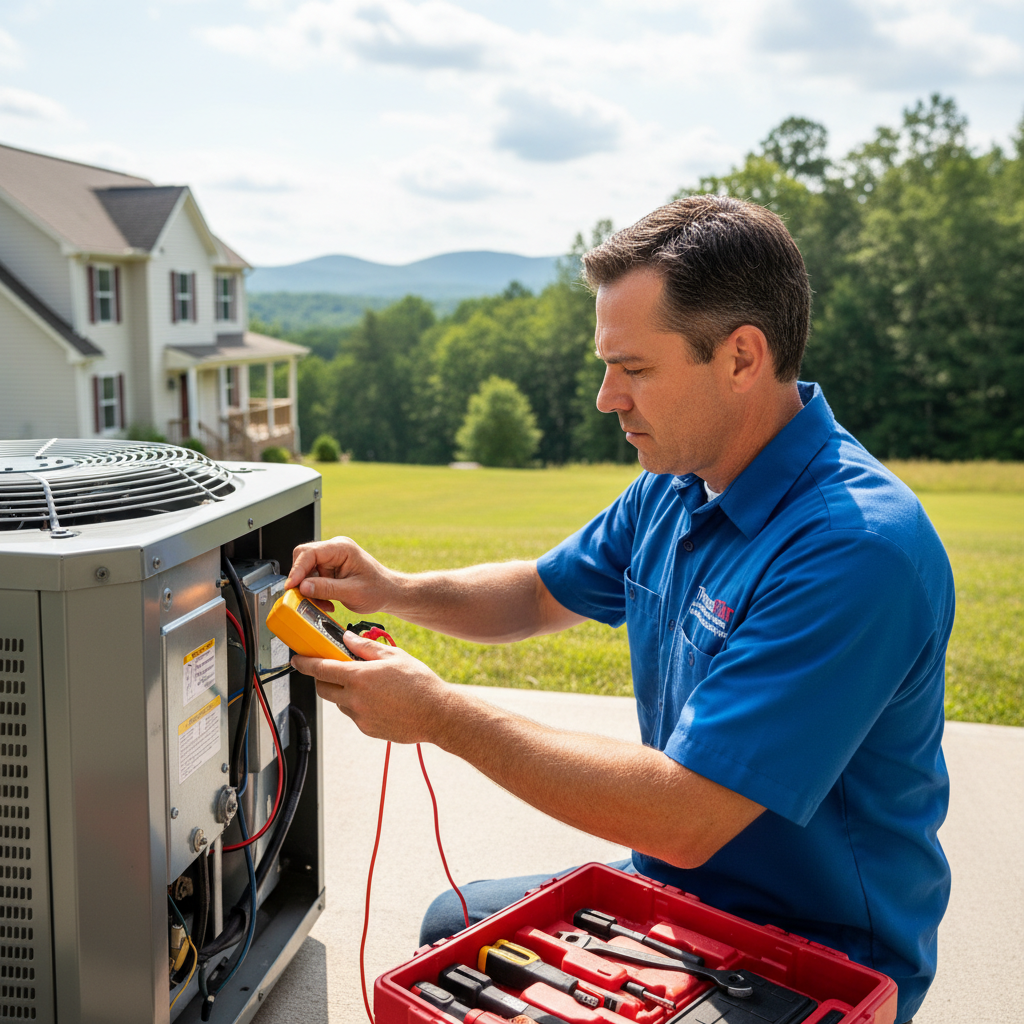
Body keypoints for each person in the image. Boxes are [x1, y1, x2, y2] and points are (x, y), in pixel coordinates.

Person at [285, 196, 953, 1024]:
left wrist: (437, 713)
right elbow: (536, 593)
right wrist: (393, 591)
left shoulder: (856, 550)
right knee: (448, 927)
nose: (608, 398)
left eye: (633, 369)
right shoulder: (677, 485)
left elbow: (683, 815)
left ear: (742, 357)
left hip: (817, 955)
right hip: (670, 898)